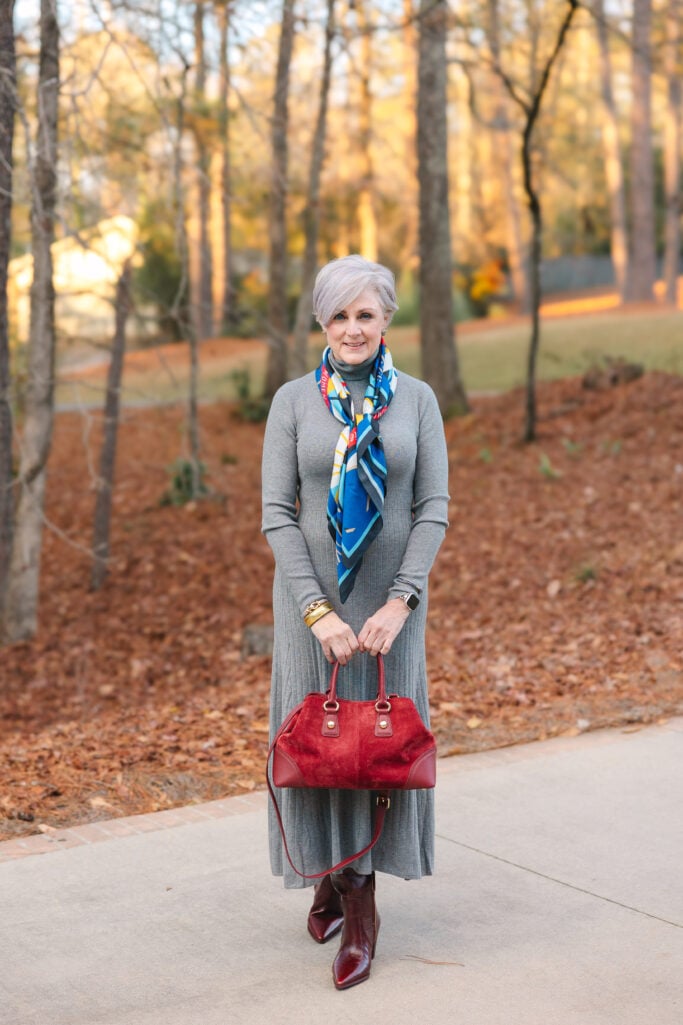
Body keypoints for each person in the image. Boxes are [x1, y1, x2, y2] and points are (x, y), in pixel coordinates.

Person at [261, 254, 449, 990]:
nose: (351, 328)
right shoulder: (292, 402)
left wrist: (401, 600)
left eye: (364, 314)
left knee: (375, 747)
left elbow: (430, 508)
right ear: (321, 321)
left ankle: (360, 899)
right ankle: (329, 876)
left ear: (386, 319)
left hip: (390, 611)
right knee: (316, 744)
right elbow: (278, 515)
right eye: (338, 315)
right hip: (310, 606)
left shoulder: (419, 401)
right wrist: (314, 611)